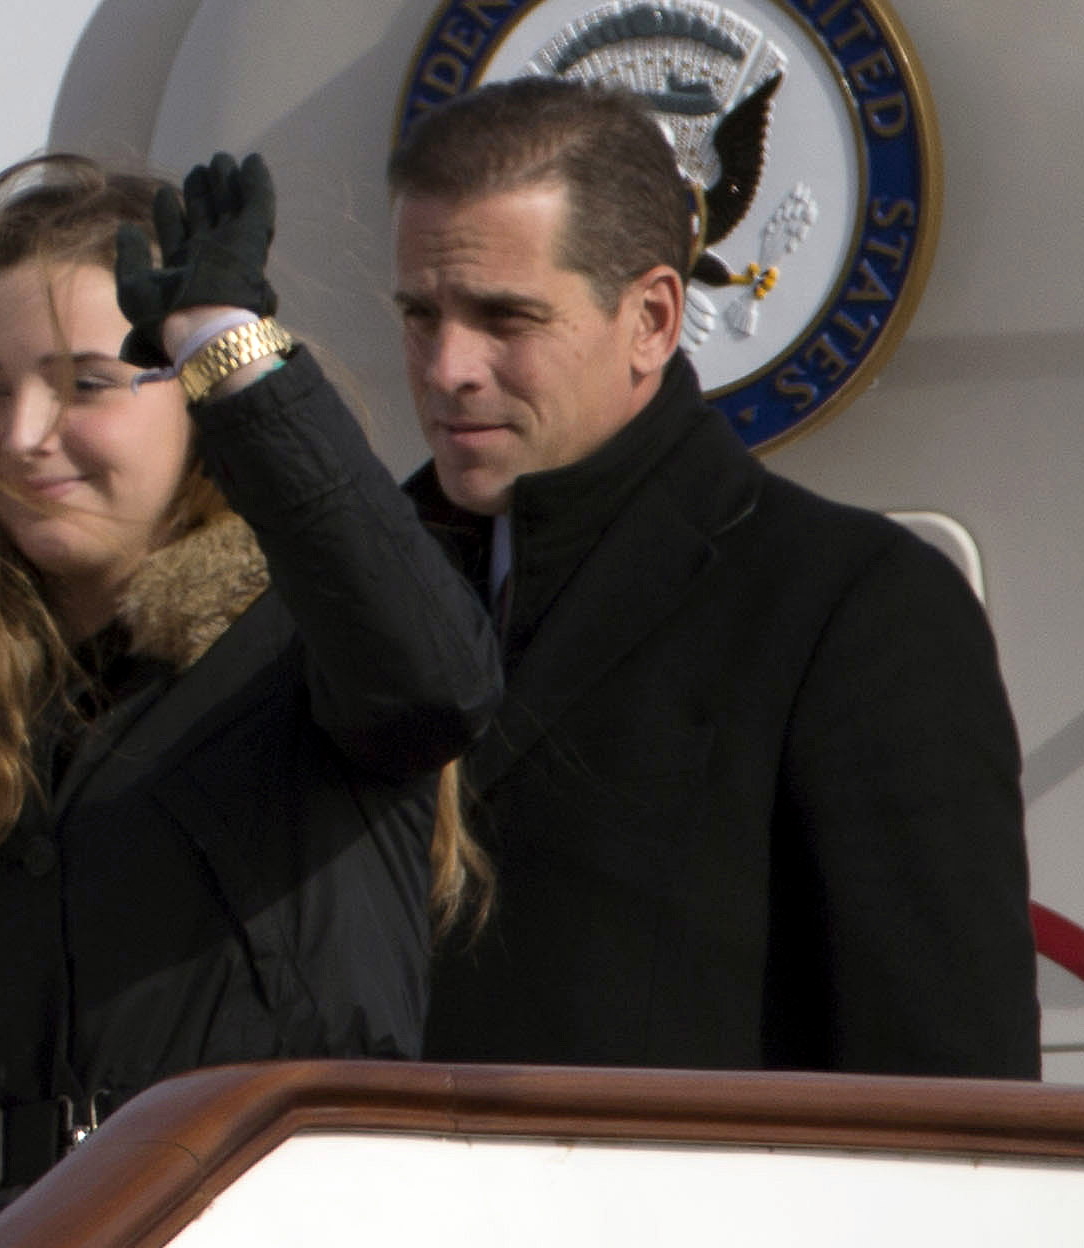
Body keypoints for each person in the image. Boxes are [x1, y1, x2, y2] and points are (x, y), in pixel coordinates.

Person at [0, 155, 500, 1248]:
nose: (21, 435)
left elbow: (436, 681)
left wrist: (230, 347)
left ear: (193, 400)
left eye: (84, 383)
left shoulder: (312, 643)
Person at [388, 77, 1037, 1074]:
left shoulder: (849, 606)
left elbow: (946, 1095)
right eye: (419, 315)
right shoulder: (344, 593)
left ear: (650, 319)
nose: (446, 367)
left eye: (503, 319)